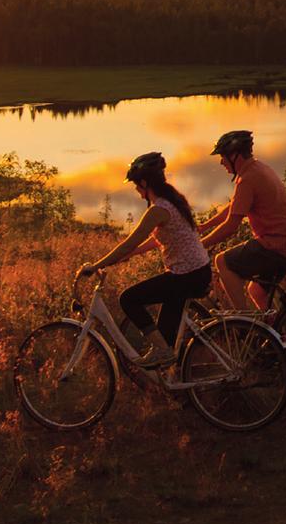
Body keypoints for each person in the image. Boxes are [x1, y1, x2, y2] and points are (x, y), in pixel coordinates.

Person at [79, 152, 210, 368]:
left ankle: (162, 350)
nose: (137, 192)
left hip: (186, 276)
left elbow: (130, 242)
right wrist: (128, 256)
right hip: (195, 272)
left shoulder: (158, 210)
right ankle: (167, 365)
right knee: (166, 333)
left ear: (144, 182)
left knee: (129, 299)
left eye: (137, 187)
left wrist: (97, 265)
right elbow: (155, 241)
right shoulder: (173, 202)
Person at [198, 130, 286, 311]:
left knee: (222, 261)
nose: (221, 162)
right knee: (257, 291)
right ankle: (268, 329)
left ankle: (242, 321)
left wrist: (199, 245)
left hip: (281, 245)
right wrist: (205, 226)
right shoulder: (258, 168)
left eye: (223, 156)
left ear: (235, 156)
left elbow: (231, 226)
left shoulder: (247, 179)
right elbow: (235, 207)